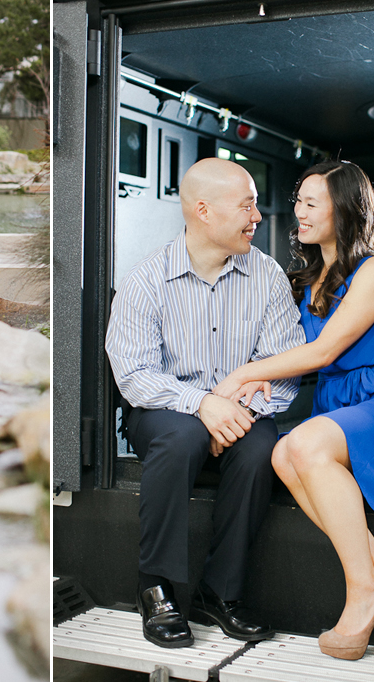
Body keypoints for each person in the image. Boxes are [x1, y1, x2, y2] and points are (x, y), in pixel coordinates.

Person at [213, 160, 374, 661]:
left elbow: (322, 352)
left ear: (347, 210)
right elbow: (291, 353)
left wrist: (245, 374)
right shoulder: (309, 278)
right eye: (299, 201)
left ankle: (363, 592)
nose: (299, 213)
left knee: (303, 444)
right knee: (283, 454)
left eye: (312, 204)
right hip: (336, 406)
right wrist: (256, 387)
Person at [105, 157, 305, 649]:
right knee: (182, 437)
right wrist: (203, 406)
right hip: (163, 412)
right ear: (203, 211)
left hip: (244, 412)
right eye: (247, 205)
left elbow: (284, 368)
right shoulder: (146, 279)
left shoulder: (268, 276)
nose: (257, 216)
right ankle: (157, 589)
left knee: (260, 451)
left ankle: (220, 593)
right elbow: (133, 375)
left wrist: (232, 414)